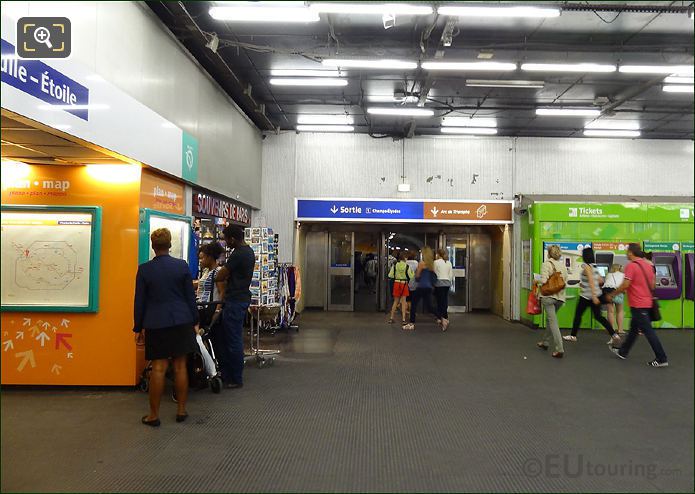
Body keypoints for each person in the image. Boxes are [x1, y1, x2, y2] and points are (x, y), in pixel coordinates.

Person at [133, 228, 199, 426]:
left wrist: (138, 328)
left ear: (153, 246)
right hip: (181, 320)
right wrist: (195, 320)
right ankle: (181, 410)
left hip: (156, 323)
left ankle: (153, 415)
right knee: (180, 366)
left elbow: (140, 301)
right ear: (169, 245)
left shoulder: (144, 270)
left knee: (159, 368)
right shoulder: (181, 266)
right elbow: (190, 297)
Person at [608, 243, 668, 367]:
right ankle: (623, 352)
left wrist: (612, 294)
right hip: (646, 302)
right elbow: (653, 286)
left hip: (638, 304)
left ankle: (662, 358)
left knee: (649, 332)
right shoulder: (648, 265)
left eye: (627, 252)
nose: (626, 254)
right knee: (634, 330)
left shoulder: (631, 266)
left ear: (631, 252)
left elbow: (625, 285)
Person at [215, 225, 255, 389]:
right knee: (231, 337)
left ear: (232, 239)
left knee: (233, 339)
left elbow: (220, 275)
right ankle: (230, 375)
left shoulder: (238, 254)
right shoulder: (248, 251)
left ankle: (235, 378)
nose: (225, 242)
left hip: (235, 300)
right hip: (240, 298)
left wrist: (223, 273)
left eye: (226, 239)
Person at [563, 246, 620, 346]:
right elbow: (600, 280)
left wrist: (593, 294)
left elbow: (590, 280)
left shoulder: (586, 266)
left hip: (586, 296)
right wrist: (591, 289)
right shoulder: (594, 267)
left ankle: (573, 335)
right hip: (596, 295)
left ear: (585, 256)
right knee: (598, 317)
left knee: (578, 315)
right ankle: (614, 334)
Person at [537, 245, 569, 358]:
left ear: (549, 253)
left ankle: (559, 348)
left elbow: (544, 280)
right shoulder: (563, 266)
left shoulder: (546, 264)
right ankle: (545, 342)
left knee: (553, 322)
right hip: (560, 298)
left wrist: (537, 279)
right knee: (550, 320)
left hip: (548, 297)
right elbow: (565, 282)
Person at [403, 246, 435, 331]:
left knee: (413, 304)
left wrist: (418, 273)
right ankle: (442, 317)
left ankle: (411, 323)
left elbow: (417, 276)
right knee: (429, 307)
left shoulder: (421, 263)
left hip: (421, 286)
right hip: (428, 287)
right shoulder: (431, 264)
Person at [387, 252, 411, 325]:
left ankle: (391, 318)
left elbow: (390, 275)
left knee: (395, 301)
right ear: (404, 258)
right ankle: (403, 319)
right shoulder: (407, 266)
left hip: (396, 283)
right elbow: (411, 275)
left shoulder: (395, 266)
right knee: (404, 302)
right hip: (404, 284)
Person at [433, 249, 454, 331]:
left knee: (439, 301)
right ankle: (443, 316)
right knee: (444, 300)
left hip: (439, 283)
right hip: (447, 283)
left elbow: (434, 273)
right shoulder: (449, 262)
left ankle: (443, 317)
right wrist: (450, 282)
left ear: (438, 254)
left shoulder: (436, 262)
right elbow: (451, 274)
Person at [603, 264, 625, 335]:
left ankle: (611, 330)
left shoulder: (609, 275)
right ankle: (620, 329)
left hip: (607, 292)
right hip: (618, 291)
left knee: (610, 312)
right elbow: (624, 285)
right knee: (620, 311)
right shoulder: (623, 275)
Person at [405, 251, 419, 318]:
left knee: (407, 298)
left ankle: (406, 311)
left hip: (406, 283)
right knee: (413, 299)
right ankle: (412, 312)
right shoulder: (416, 263)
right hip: (414, 283)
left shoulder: (405, 262)